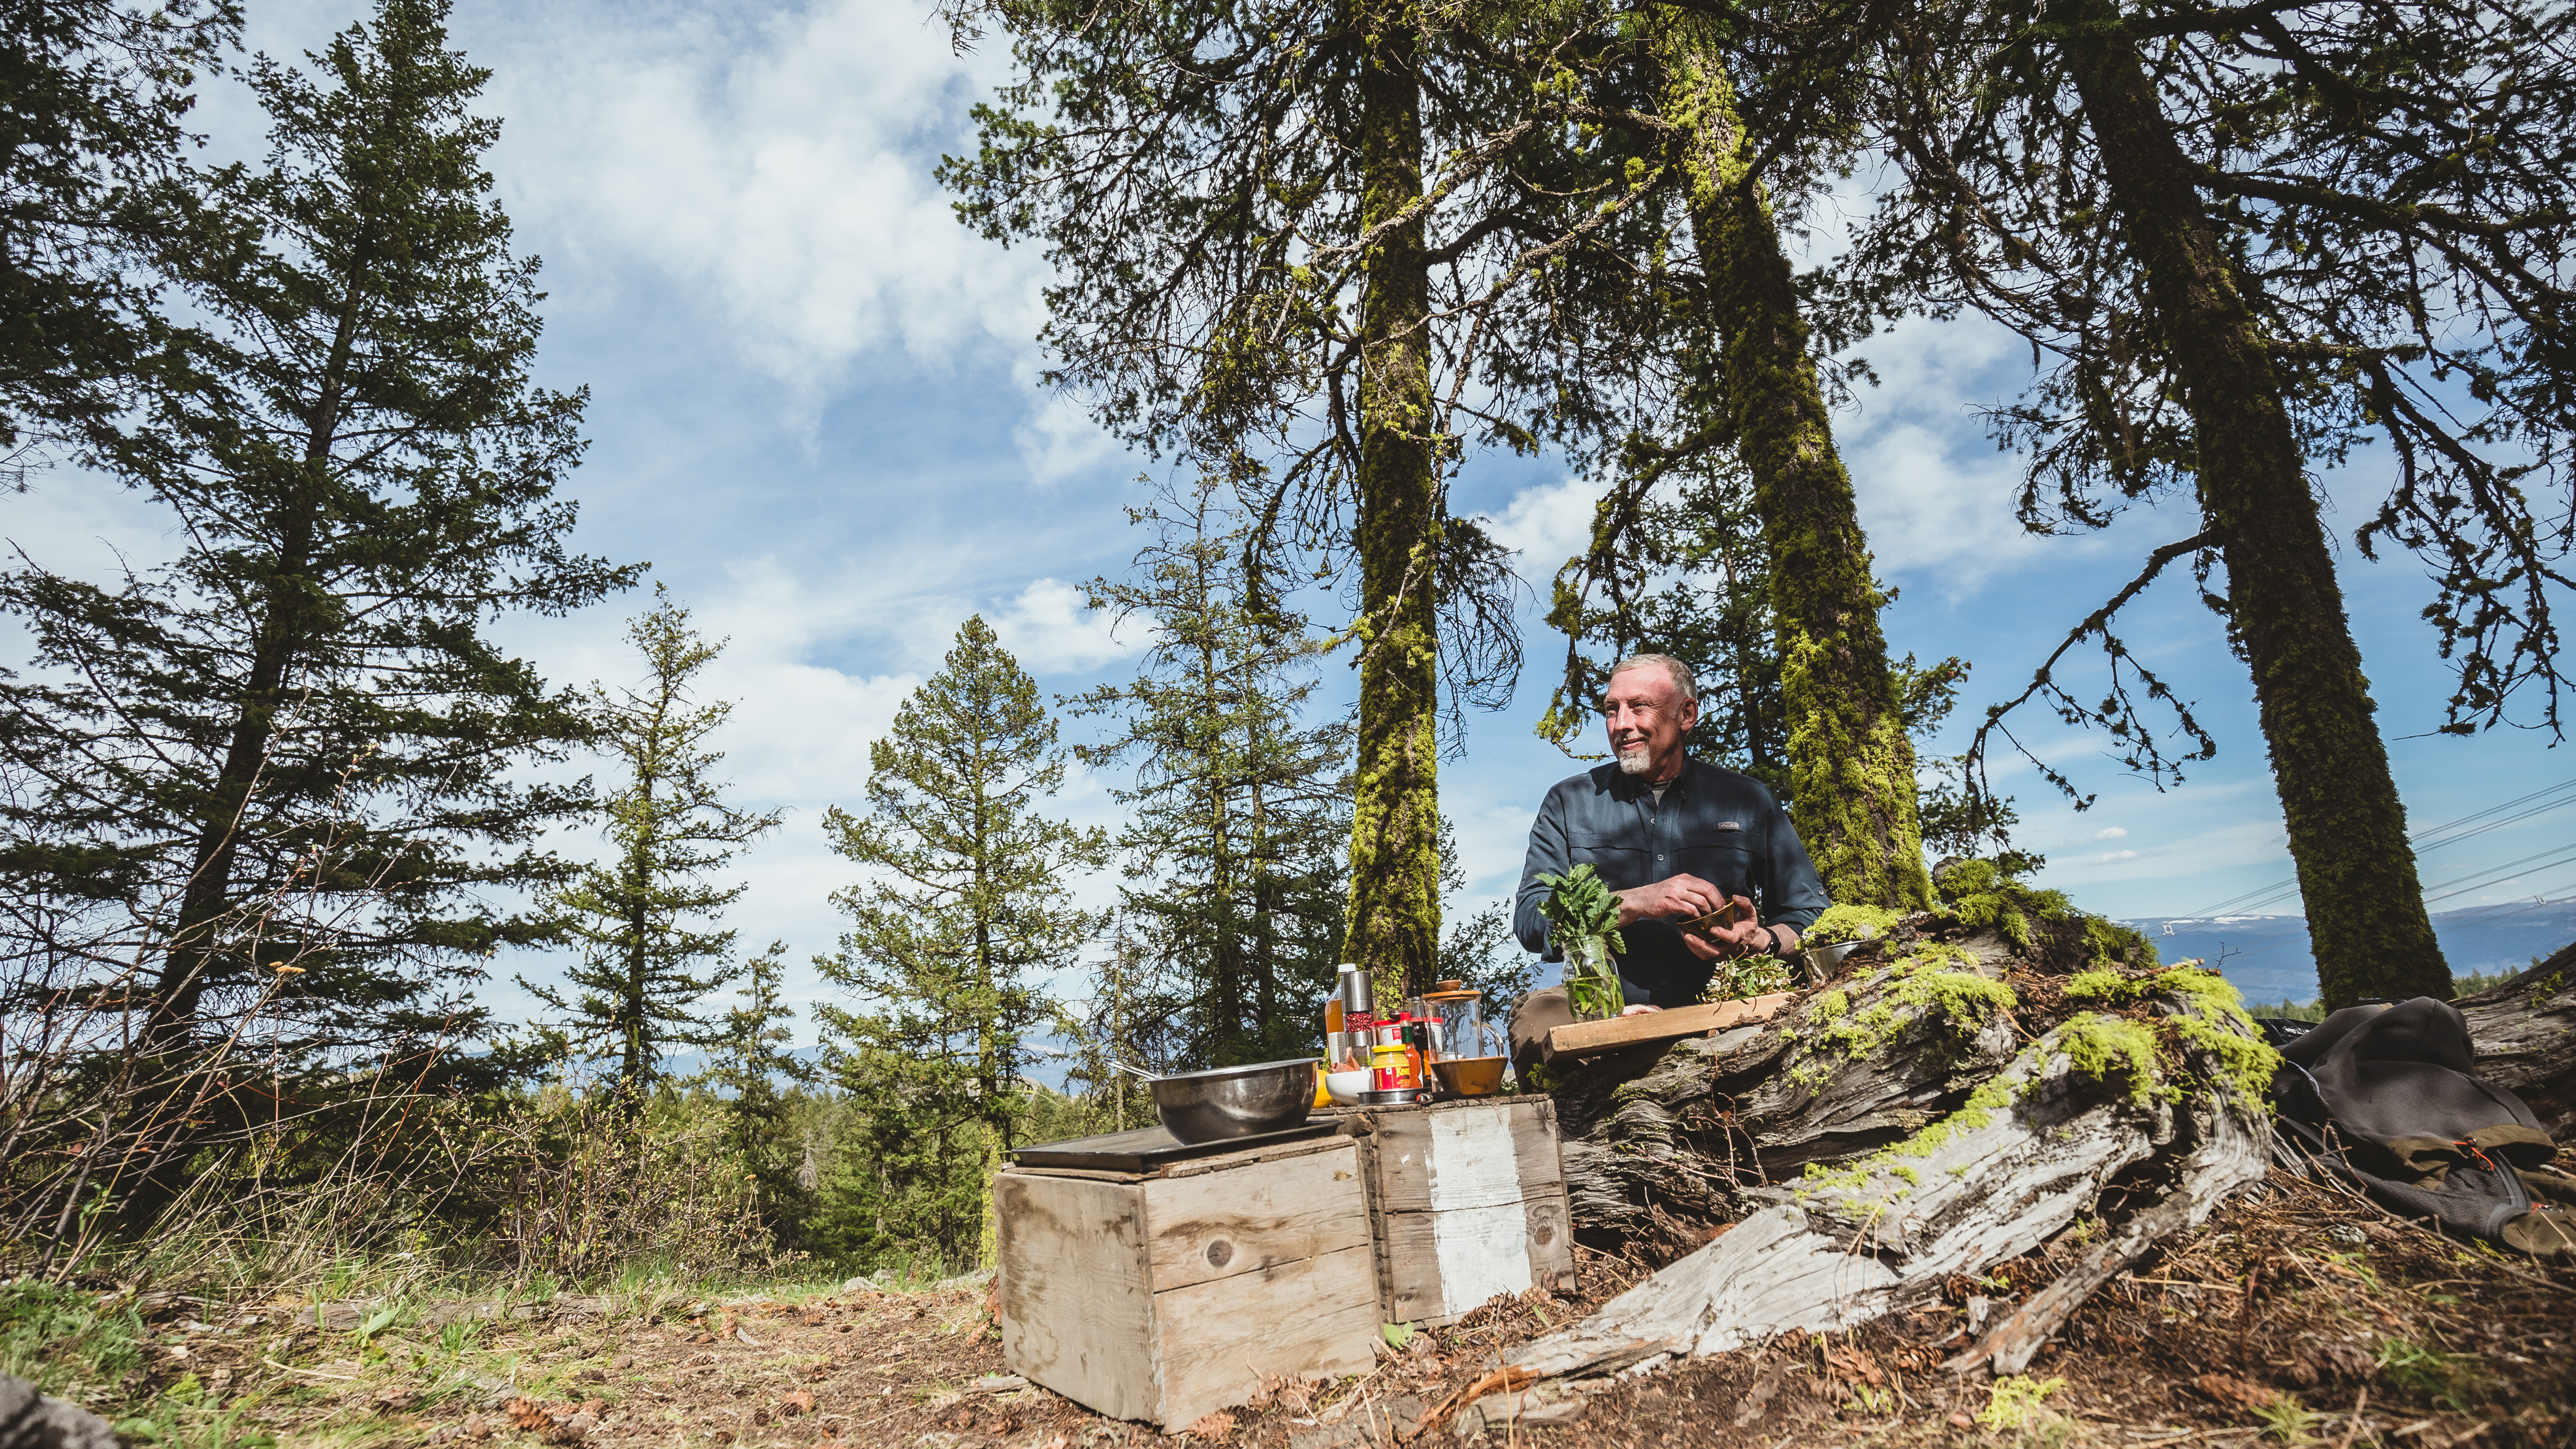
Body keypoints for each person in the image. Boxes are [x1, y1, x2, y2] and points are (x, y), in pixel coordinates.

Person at [1508, 653, 1828, 1065]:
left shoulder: (1748, 800)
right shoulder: (1568, 803)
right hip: (1604, 1011)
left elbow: (1813, 915)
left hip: (1724, 1005)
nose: (1621, 724)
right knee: (1536, 1021)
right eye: (1611, 710)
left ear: (1687, 714)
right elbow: (1532, 921)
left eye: (1639, 707)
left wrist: (1760, 940)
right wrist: (1635, 902)